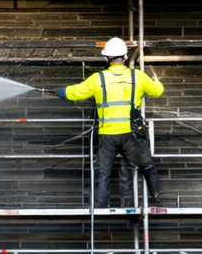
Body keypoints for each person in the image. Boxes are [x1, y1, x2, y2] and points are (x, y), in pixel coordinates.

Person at [57, 36, 167, 209]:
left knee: (103, 170)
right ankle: (156, 197)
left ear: (106, 58)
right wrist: (156, 81)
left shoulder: (97, 79)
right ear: (124, 57)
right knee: (146, 165)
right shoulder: (138, 76)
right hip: (131, 135)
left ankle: (100, 203)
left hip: (107, 135)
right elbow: (157, 91)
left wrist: (60, 91)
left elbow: (76, 92)